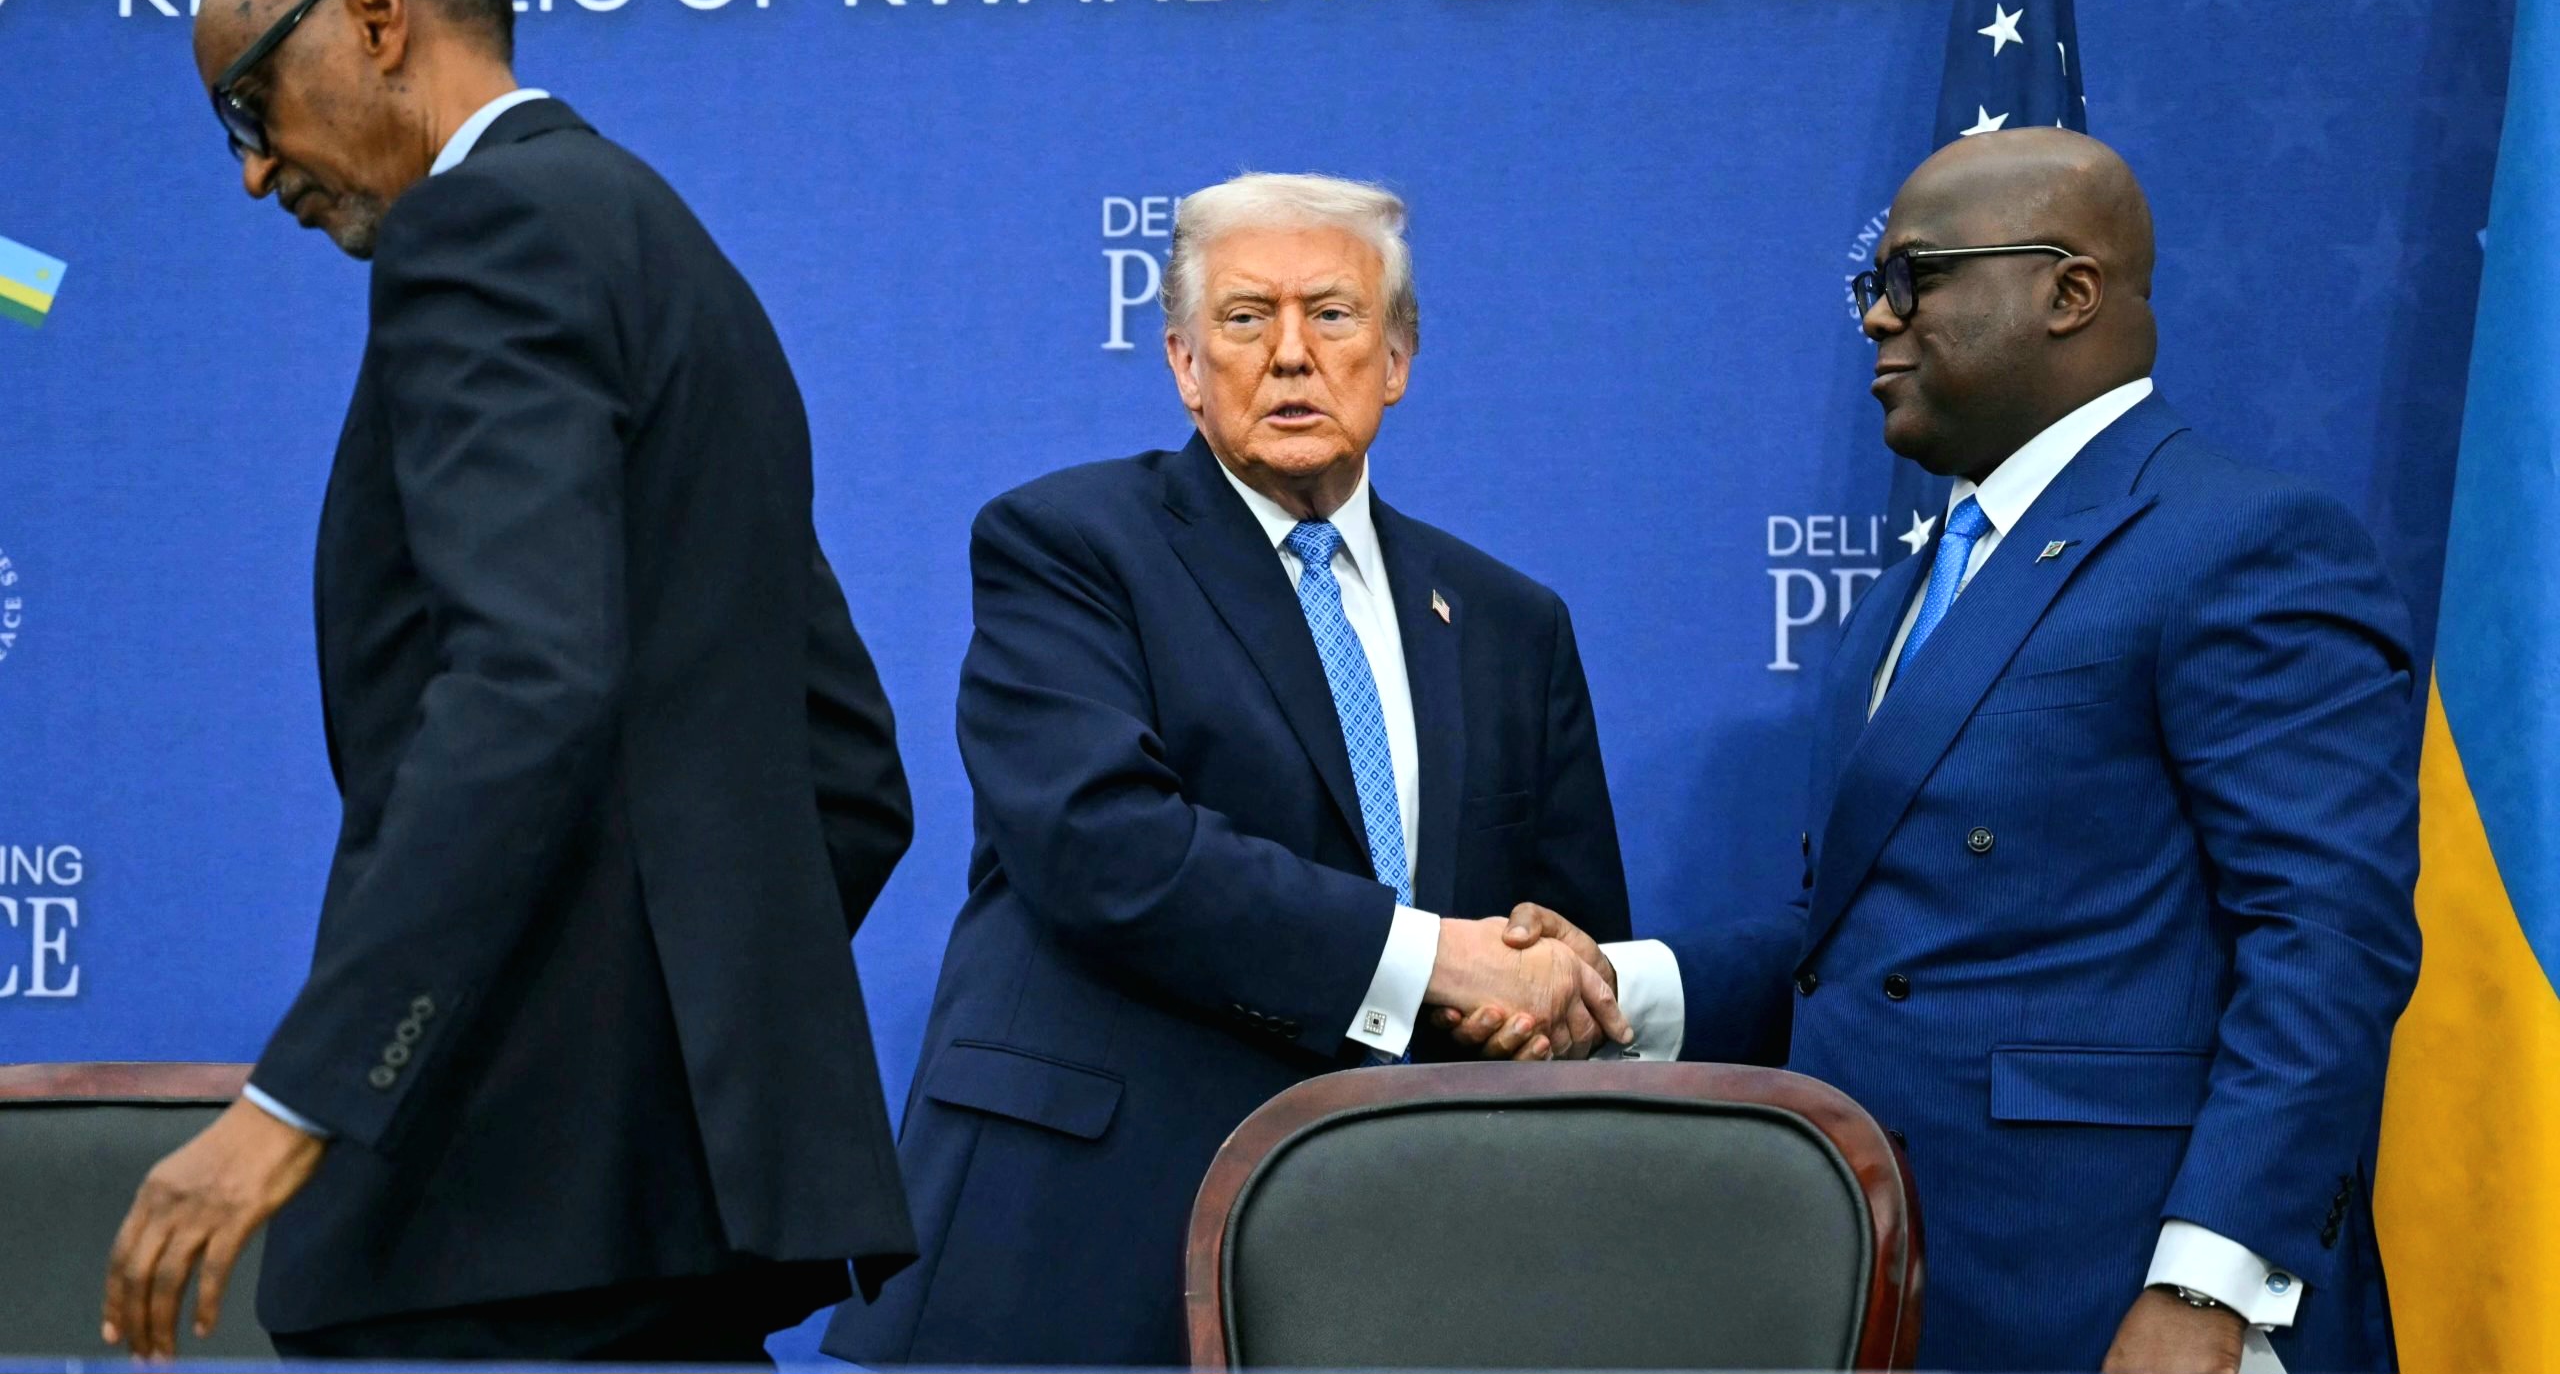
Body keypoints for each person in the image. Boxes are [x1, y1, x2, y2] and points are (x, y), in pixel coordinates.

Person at [105, 0, 916, 1360]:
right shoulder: (669, 251)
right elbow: (851, 770)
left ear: (371, 13)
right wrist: (680, 1053)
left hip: (495, 1238)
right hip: (685, 1239)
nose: (251, 168)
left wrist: (302, 1097)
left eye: (248, 102)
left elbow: (528, 686)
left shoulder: (482, 233)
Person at [1458, 130, 2420, 1374]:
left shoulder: (2245, 543)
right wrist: (1615, 992)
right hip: (1897, 1277)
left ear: (2068, 292)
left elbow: (2328, 941)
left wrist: (2210, 1285)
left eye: (1914, 277)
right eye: (1872, 286)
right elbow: (1857, 941)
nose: (1873, 317)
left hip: (2122, 1289)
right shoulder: (1920, 585)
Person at [823, 172, 1639, 1367]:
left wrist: (1537, 993)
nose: (1292, 355)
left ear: (1400, 357)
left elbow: (1569, 936)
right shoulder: (1069, 545)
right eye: (1247, 319)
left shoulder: (1513, 621)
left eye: (1334, 315)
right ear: (1183, 366)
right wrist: (1432, 957)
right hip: (1083, 1241)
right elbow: (1104, 848)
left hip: (1403, 1259)